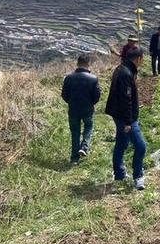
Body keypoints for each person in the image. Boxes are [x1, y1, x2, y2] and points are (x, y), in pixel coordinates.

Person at [105, 46, 147, 190]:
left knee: (122, 143)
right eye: (143, 58)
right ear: (138, 58)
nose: (143, 60)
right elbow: (126, 99)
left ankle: (119, 174)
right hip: (125, 117)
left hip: (118, 113)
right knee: (141, 146)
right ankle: (138, 176)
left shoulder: (122, 68)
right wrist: (128, 122)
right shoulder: (126, 73)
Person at [61, 53, 102, 164]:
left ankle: (74, 158)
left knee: (75, 132)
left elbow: (64, 94)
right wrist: (91, 103)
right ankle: (84, 147)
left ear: (77, 63)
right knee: (88, 126)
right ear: (88, 64)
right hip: (87, 109)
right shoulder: (93, 79)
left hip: (73, 109)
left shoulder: (68, 77)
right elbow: (97, 95)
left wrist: (70, 102)